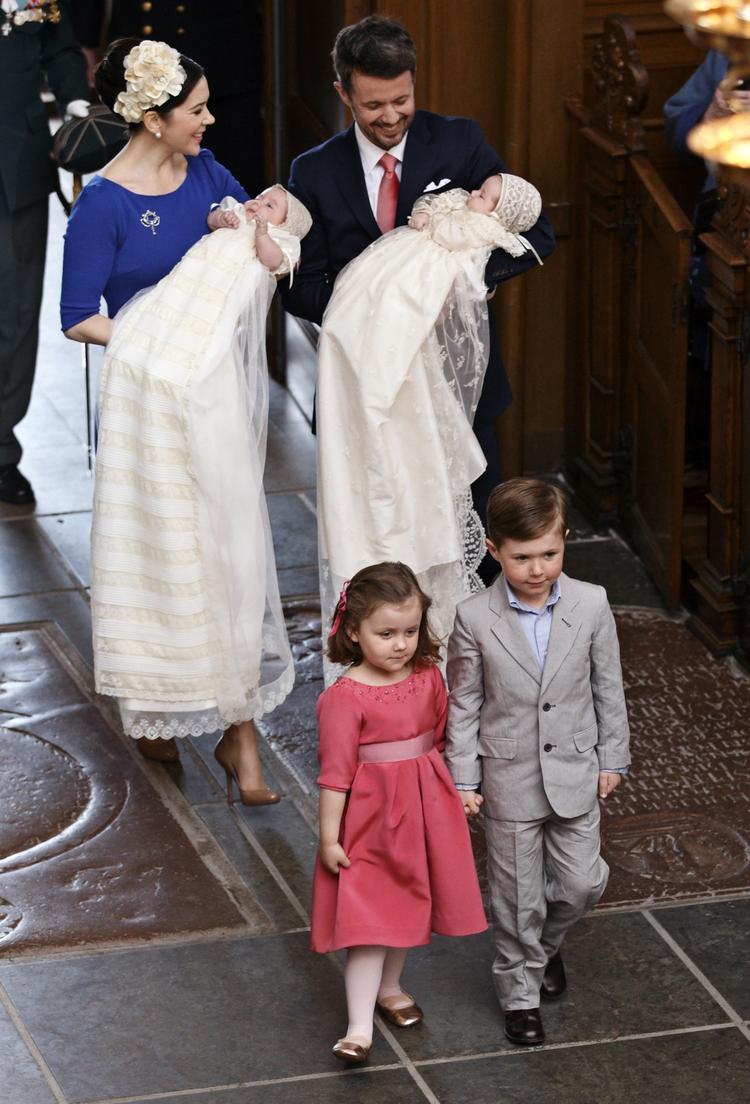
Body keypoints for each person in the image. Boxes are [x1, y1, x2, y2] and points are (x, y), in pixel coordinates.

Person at [60, 37, 296, 797]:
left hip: (215, 395)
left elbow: (255, 228)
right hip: (146, 404)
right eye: (195, 110)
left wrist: (267, 225)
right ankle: (156, 707)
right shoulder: (103, 202)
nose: (209, 120)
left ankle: (240, 738)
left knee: (229, 548)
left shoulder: (208, 174)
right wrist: (154, 344)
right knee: (160, 550)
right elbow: (76, 317)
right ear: (154, 118)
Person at [281, 14, 555, 575]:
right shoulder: (312, 172)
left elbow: (536, 232)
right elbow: (298, 287)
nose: (390, 117)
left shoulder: (459, 141)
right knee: (382, 537)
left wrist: (464, 278)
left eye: (401, 100)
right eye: (373, 105)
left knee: (473, 538)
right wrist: (374, 302)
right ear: (343, 93)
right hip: (367, 393)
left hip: (459, 384)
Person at [317, 173, 543, 669]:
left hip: (420, 300)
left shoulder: (481, 223)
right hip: (386, 274)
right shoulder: (319, 170)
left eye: (487, 198)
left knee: (397, 337)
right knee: (358, 322)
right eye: (482, 191)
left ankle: (433, 639)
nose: (475, 197)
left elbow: (510, 243)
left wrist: (445, 230)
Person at [445, 478, 630, 1047]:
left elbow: (608, 688)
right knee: (515, 897)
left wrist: (613, 757)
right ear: (495, 550)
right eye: (521, 556)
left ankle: (543, 950)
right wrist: (465, 776)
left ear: (565, 541)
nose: (536, 568)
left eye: (549, 553)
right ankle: (519, 995)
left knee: (581, 884)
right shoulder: (475, 617)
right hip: (508, 776)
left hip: (576, 768)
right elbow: (465, 702)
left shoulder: (591, 603)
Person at [311, 562, 487, 1063]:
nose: (400, 644)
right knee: (369, 922)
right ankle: (358, 1027)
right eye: (385, 633)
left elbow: (443, 737)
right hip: (370, 822)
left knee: (409, 902)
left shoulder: (429, 676)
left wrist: (460, 788)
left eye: (410, 631)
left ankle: (391, 987)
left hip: (424, 809)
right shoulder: (344, 699)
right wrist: (329, 838)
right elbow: (335, 776)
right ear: (353, 631)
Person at [0, 0, 89, 506]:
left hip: (17, 163)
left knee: (15, 312)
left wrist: (75, 100)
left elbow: (60, 47)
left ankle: (0, 452)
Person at [69, 0, 264, 194]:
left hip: (223, 50)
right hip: (142, 54)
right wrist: (86, 39)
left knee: (236, 172)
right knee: (140, 183)